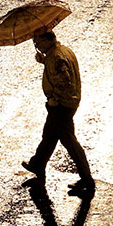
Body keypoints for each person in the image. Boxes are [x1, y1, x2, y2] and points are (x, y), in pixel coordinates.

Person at [22, 30, 95, 193]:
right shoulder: (61, 51)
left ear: (47, 40)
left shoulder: (55, 57)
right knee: (49, 135)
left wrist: (55, 98)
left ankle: (87, 180)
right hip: (67, 102)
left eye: (38, 42)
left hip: (62, 105)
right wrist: (45, 61)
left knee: (69, 142)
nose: (36, 46)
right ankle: (37, 165)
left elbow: (65, 80)